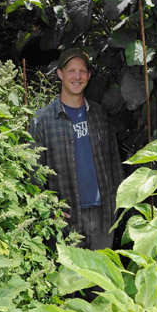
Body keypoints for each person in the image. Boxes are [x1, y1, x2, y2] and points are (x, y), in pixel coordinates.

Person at [29, 47, 124, 250]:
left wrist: (118, 202)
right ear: (60, 74)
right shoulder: (42, 121)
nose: (77, 76)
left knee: (103, 278)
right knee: (70, 280)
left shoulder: (99, 115)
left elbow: (114, 162)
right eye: (71, 70)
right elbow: (35, 174)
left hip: (103, 216)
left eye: (82, 71)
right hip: (65, 219)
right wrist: (49, 209)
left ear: (88, 76)